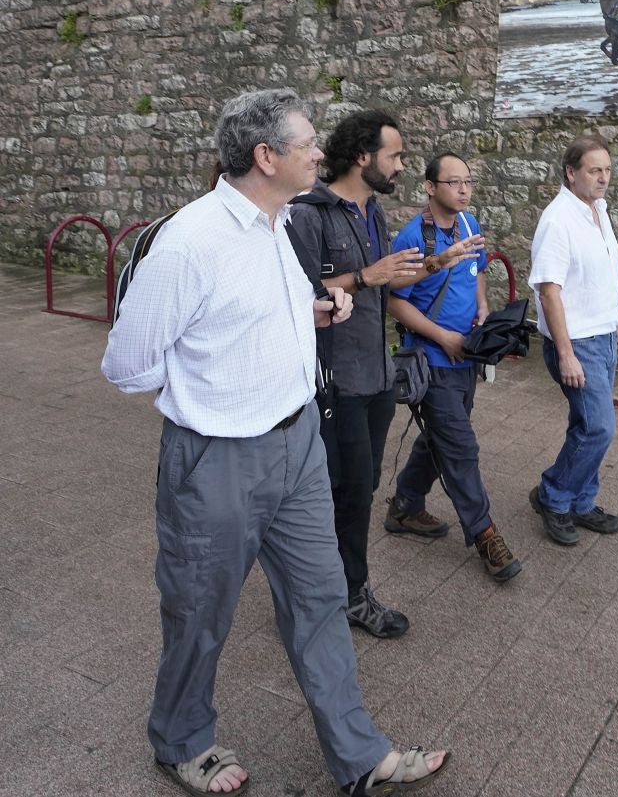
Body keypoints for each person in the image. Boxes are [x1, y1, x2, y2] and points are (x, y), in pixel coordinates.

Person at [102, 89, 448, 797]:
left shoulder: (279, 220)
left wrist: (315, 308)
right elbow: (128, 364)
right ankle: (180, 741)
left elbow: (257, 310)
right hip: (218, 458)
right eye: (307, 143)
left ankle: (360, 756)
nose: (319, 153)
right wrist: (213, 375)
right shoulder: (190, 241)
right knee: (200, 611)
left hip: (298, 448)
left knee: (321, 600)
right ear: (266, 156)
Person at [289, 110, 427, 640]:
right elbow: (297, 293)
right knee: (339, 492)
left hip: (375, 374)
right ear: (364, 157)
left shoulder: (374, 214)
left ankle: (334, 590)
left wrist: (429, 268)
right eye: (394, 155)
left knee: (363, 486)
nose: (400, 166)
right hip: (336, 380)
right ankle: (341, 596)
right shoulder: (310, 214)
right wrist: (368, 275)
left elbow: (375, 289)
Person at [385, 152, 522, 583]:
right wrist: (443, 336)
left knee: (441, 436)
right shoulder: (413, 238)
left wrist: (482, 305)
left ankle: (406, 504)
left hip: (467, 356)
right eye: (453, 182)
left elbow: (479, 268)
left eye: (468, 182)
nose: (463, 190)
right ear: (430, 187)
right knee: (461, 448)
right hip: (432, 361)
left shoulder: (468, 224)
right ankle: (484, 533)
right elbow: (392, 300)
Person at [528, 135, 618, 547]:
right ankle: (553, 496)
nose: (603, 178)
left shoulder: (598, 210)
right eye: (594, 170)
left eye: (607, 170)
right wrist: (565, 354)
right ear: (571, 173)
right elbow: (549, 290)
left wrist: (617, 326)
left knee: (586, 425)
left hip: (603, 337)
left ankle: (582, 502)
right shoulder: (558, 220)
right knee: (599, 428)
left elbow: (601, 277)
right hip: (578, 344)